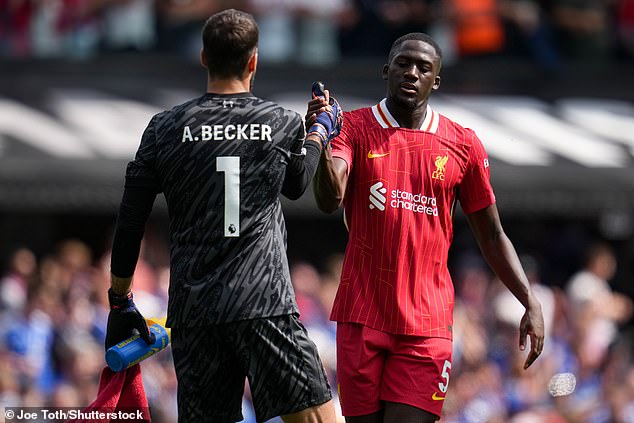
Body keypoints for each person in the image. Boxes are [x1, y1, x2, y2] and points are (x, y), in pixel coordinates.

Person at [105, 9, 340, 423]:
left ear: (202, 57)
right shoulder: (281, 122)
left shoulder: (164, 128)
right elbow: (297, 183)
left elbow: (130, 220)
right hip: (263, 302)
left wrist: (120, 299)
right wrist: (318, 131)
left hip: (196, 312)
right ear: (253, 61)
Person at [306, 32, 545, 423]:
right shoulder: (352, 127)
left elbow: (492, 235)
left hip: (426, 324)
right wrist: (319, 137)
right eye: (403, 63)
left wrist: (529, 300)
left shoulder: (462, 144)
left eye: (423, 67)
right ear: (387, 70)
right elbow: (329, 198)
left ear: (436, 80)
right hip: (361, 313)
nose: (411, 73)